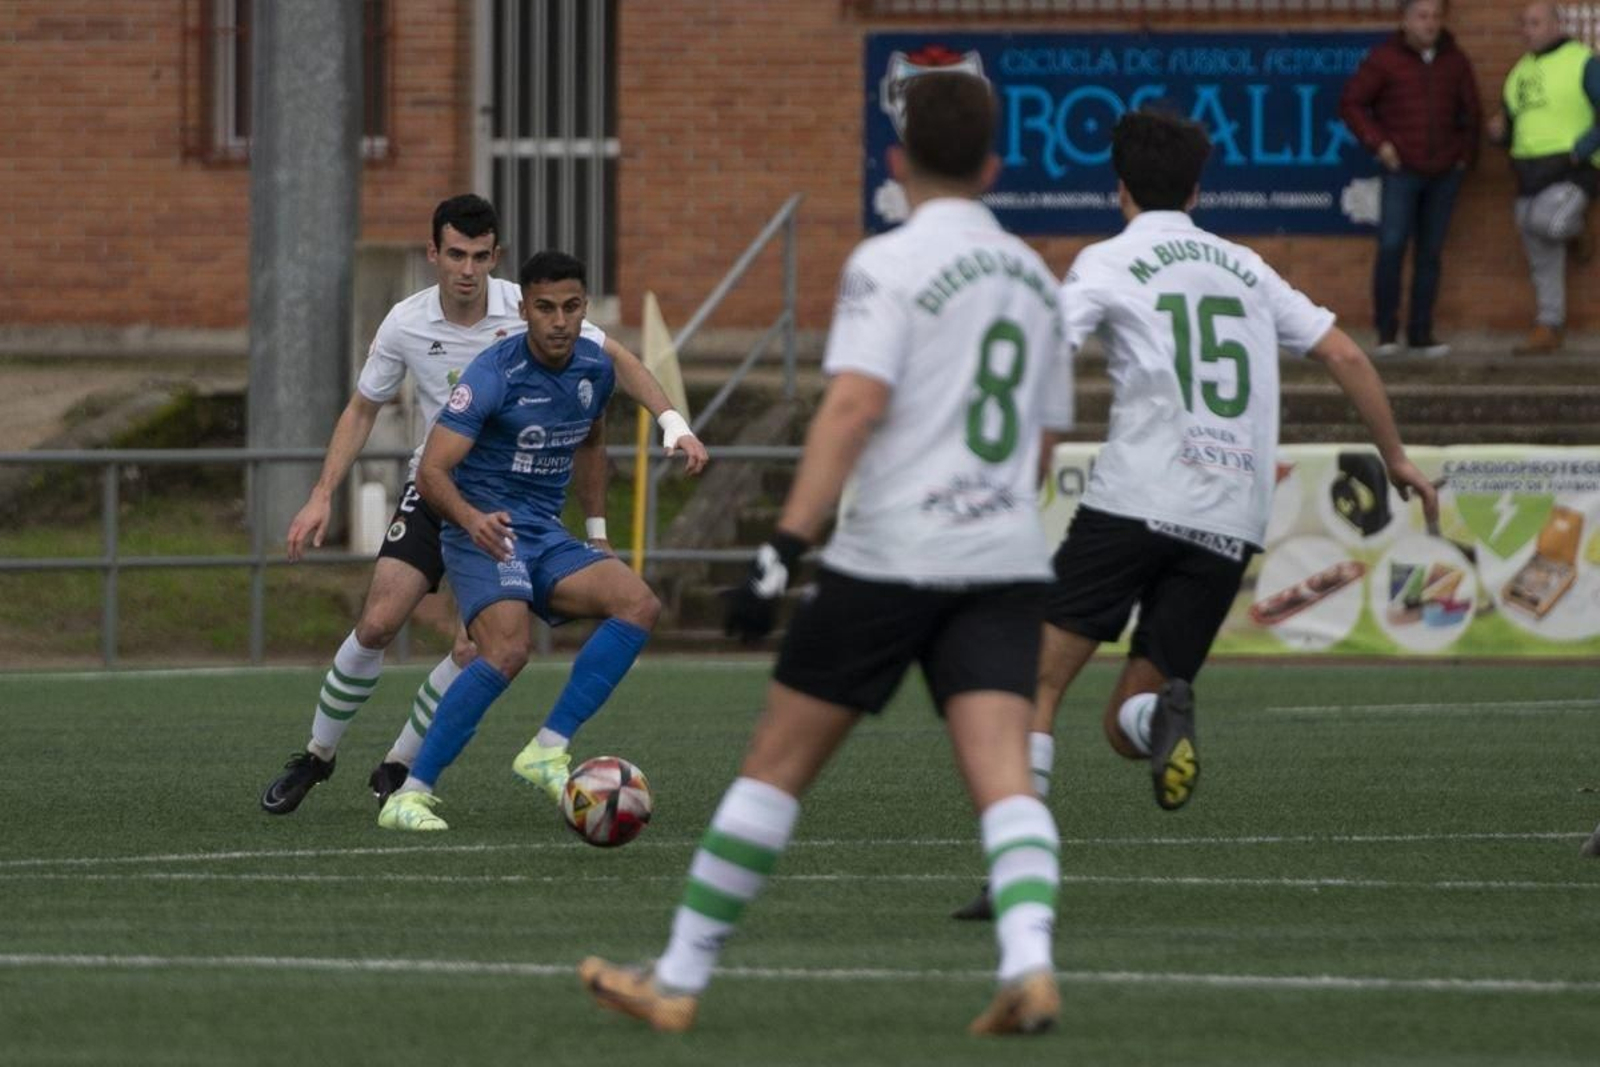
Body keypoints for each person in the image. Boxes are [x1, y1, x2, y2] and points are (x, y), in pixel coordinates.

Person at [579, 71, 1074, 1037]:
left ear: (895, 165)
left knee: (774, 762)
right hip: (1004, 557)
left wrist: (782, 546)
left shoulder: (885, 263)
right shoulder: (1034, 277)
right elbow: (1046, 439)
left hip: (894, 555)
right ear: (993, 164)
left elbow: (851, 407)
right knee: (1003, 773)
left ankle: (676, 977)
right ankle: (1029, 962)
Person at [951, 109, 1440, 922]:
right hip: (1232, 520)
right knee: (1122, 722)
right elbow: (1346, 352)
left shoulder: (1108, 261)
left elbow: (1047, 355)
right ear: (1198, 186)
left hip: (1136, 498)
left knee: (1031, 680)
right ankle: (1160, 717)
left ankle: (1015, 874)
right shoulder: (1247, 267)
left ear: (1120, 188)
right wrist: (1395, 456)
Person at [259, 195, 706, 817]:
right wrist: (321, 493)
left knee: (482, 646)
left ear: (495, 258)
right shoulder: (406, 323)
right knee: (381, 622)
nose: (466, 269)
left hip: (515, 507)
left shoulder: (537, 310)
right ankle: (316, 754)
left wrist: (672, 424)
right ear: (433, 255)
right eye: (455, 255)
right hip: (437, 492)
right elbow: (363, 409)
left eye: (479, 256)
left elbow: (616, 368)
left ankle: (401, 767)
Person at [377, 249, 684, 831]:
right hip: (483, 533)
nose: (559, 321)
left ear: (584, 308)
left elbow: (592, 443)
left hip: (544, 533)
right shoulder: (493, 373)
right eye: (545, 308)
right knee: (506, 650)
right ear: (524, 311)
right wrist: (470, 520)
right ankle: (408, 795)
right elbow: (431, 473)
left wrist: (597, 533)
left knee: (638, 603)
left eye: (571, 307)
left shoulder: (592, 368)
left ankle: (547, 748)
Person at [1339, 0, 1480, 358]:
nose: (1430, 23)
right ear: (1405, 21)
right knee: (1391, 246)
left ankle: (1421, 334)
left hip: (1445, 171)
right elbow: (1352, 103)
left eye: (1435, 16)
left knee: (1430, 253)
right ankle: (1387, 332)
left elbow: (1472, 111)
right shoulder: (1385, 58)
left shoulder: (1455, 60)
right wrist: (1379, 143)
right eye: (1422, 16)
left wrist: (1465, 157)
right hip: (1401, 169)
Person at [1487, 1, 1600, 355]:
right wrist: (1499, 131)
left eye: (1535, 23)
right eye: (1524, 24)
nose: (1527, 30)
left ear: (1556, 24)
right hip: (1529, 174)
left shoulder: (1583, 61)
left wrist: (1582, 149)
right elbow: (1511, 120)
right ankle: (1549, 325)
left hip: (1572, 169)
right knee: (1541, 257)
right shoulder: (1519, 71)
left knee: (1548, 224)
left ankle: (1577, 229)